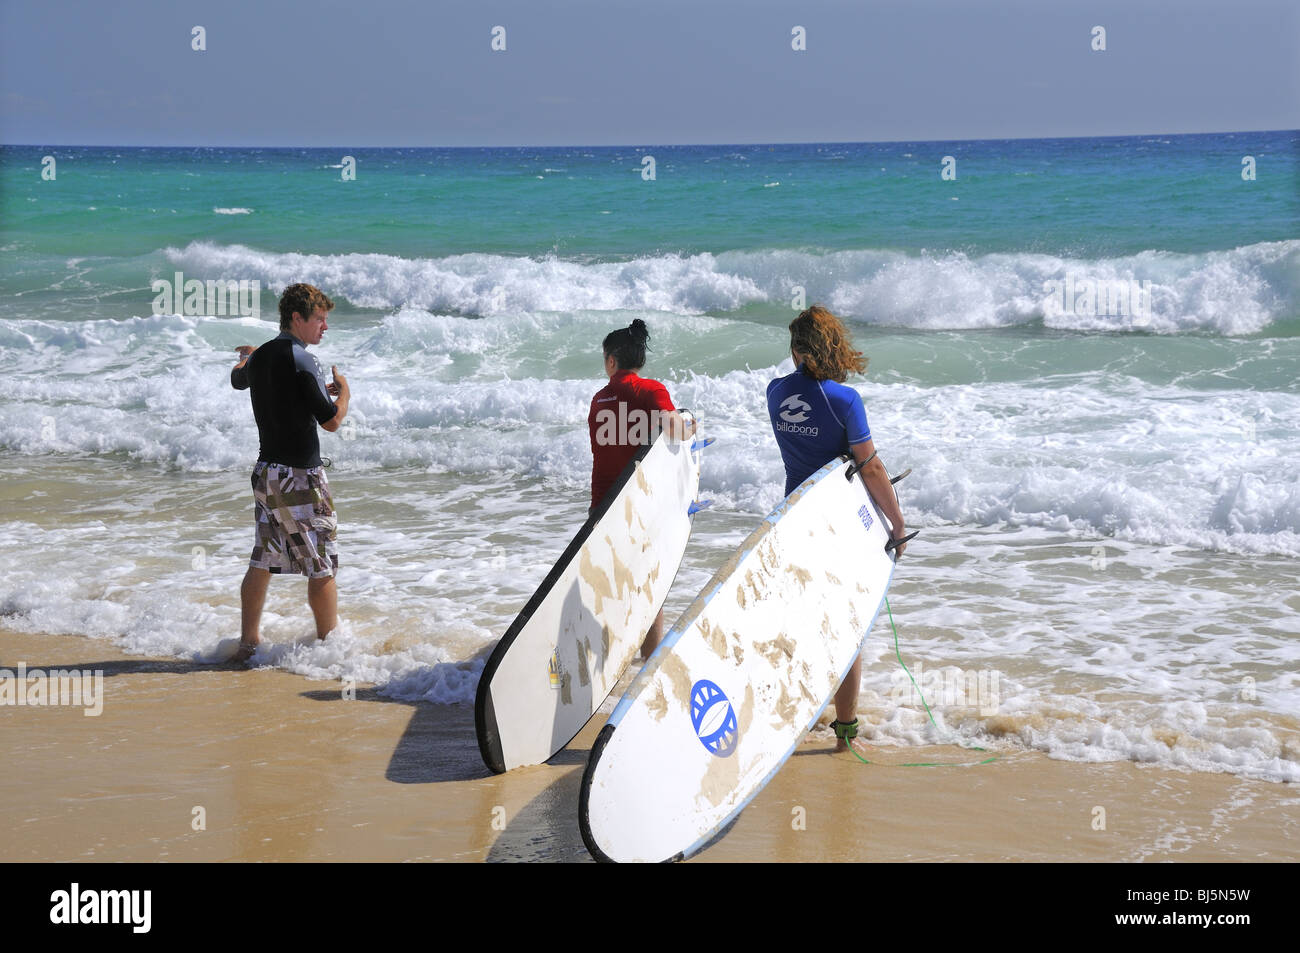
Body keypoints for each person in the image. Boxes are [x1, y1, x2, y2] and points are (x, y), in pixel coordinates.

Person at [767, 305, 907, 751]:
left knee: (800, 623)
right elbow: (870, 467)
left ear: (795, 350)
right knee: (846, 628)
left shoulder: (774, 393)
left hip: (793, 518)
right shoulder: (844, 400)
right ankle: (844, 733)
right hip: (837, 526)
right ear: (832, 347)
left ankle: (789, 720)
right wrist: (897, 524)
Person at [229, 283, 351, 663]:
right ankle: (331, 650)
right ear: (297, 318)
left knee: (263, 559)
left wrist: (247, 359)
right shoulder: (303, 360)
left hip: (267, 474)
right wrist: (344, 393)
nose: (324, 327)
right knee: (322, 563)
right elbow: (331, 421)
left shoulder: (264, 356)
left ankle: (248, 644)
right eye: (319, 319)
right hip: (299, 478)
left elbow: (238, 379)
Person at [588, 319, 694, 660]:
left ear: (610, 361)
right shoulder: (649, 390)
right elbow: (676, 428)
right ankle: (648, 663)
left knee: (612, 586)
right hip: (640, 508)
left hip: (602, 507)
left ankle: (608, 658)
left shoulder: (599, 399)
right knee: (650, 587)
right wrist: (691, 422)